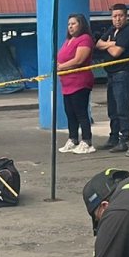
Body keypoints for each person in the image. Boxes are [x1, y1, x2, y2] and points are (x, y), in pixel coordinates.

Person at [94, 4, 129, 153]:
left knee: (122, 108)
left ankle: (124, 139)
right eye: (114, 16)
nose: (117, 19)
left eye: (120, 15)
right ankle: (113, 137)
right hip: (112, 74)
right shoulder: (112, 30)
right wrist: (111, 43)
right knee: (112, 109)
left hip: (124, 73)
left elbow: (115, 53)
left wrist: (108, 45)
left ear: (126, 16)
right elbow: (98, 44)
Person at [56, 13, 96, 155]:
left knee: (81, 113)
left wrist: (61, 67)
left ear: (81, 24)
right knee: (70, 112)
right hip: (66, 83)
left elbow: (79, 60)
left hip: (80, 82)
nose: (70, 27)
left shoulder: (85, 39)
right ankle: (73, 139)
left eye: (74, 23)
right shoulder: (69, 40)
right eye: (69, 24)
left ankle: (87, 141)